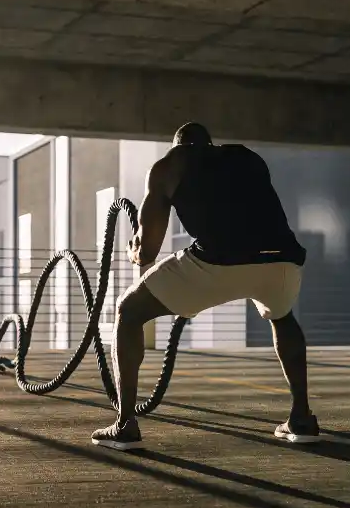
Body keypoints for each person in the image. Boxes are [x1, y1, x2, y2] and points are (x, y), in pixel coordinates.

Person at [91, 122, 320, 450]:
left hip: (219, 262)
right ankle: (301, 417)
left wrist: (134, 250)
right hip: (282, 260)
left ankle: (125, 424)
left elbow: (148, 251)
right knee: (283, 317)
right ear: (210, 144)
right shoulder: (246, 157)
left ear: (177, 144)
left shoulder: (169, 165)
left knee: (129, 310)